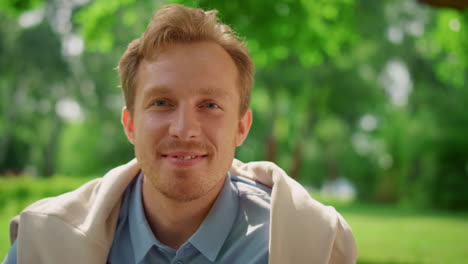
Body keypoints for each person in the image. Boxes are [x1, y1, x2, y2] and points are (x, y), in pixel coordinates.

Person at [2, 4, 357, 264]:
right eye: (161, 102)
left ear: (241, 127)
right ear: (130, 124)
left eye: (210, 105)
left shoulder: (311, 246)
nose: (185, 130)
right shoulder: (46, 243)